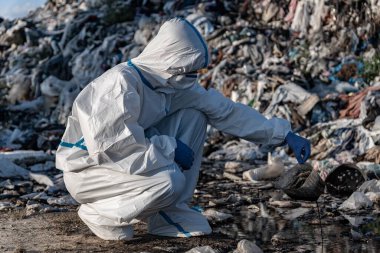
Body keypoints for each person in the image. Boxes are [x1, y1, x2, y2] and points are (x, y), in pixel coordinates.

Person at [56, 17, 310, 240]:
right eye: (190, 68)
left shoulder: (171, 85)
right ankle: (100, 213)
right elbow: (112, 149)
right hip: (87, 170)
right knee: (169, 181)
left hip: (128, 160)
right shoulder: (119, 85)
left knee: (195, 114)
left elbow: (225, 111)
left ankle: (169, 213)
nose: (194, 75)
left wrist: (282, 134)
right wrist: (170, 148)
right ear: (170, 59)